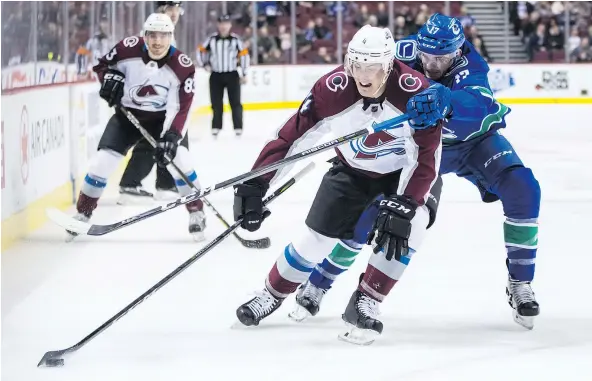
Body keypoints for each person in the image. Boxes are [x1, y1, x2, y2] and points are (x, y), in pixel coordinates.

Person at [292, 14, 542, 331]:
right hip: (423, 149)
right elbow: (368, 75)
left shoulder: (472, 65)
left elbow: (477, 104)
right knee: (371, 212)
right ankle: (319, 281)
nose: (434, 63)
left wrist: (447, 98)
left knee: (524, 189)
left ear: (459, 49)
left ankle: (520, 283)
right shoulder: (402, 51)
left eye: (443, 56)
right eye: (428, 55)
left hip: (473, 143)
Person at [232, 25, 449, 345]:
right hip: (352, 169)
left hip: (404, 174)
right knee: (316, 240)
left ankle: (368, 300)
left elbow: (428, 155)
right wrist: (256, 183)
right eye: (356, 65)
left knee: (407, 228)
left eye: (372, 66)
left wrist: (407, 201)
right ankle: (271, 293)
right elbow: (292, 137)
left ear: (388, 64)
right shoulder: (332, 89)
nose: (362, 75)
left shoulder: (416, 93)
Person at [66, 13, 207, 242]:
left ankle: (197, 212)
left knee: (180, 161)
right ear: (145, 35)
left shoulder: (182, 67)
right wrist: (108, 78)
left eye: (163, 35)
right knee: (102, 162)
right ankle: (83, 213)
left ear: (171, 36)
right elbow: (102, 66)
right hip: (127, 116)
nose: (157, 41)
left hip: (163, 120)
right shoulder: (126, 48)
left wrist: (171, 136)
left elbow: (180, 108)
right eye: (152, 35)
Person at [118, 1, 188, 202]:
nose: (176, 13)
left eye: (177, 9)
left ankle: (138, 184)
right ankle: (161, 185)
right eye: (171, 8)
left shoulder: (165, 30)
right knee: (170, 138)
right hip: (155, 98)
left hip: (160, 96)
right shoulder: (153, 31)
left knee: (156, 141)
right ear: (161, 9)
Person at [196, 15, 250, 137]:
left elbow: (244, 55)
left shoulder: (236, 40)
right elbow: (200, 50)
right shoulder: (211, 39)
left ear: (230, 25)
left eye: (226, 23)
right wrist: (204, 64)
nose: (224, 26)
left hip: (232, 74)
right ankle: (216, 127)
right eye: (221, 23)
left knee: (235, 102)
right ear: (218, 25)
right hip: (216, 75)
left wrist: (244, 72)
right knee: (216, 103)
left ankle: (238, 128)